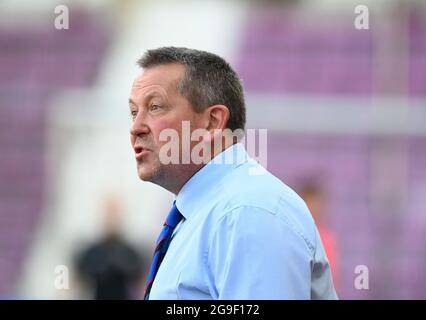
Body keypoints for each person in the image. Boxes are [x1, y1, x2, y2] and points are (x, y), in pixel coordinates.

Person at [128, 47, 337, 299]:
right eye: (133, 112)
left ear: (213, 122)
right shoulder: (214, 211)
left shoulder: (247, 210)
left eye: (155, 107)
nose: (136, 127)